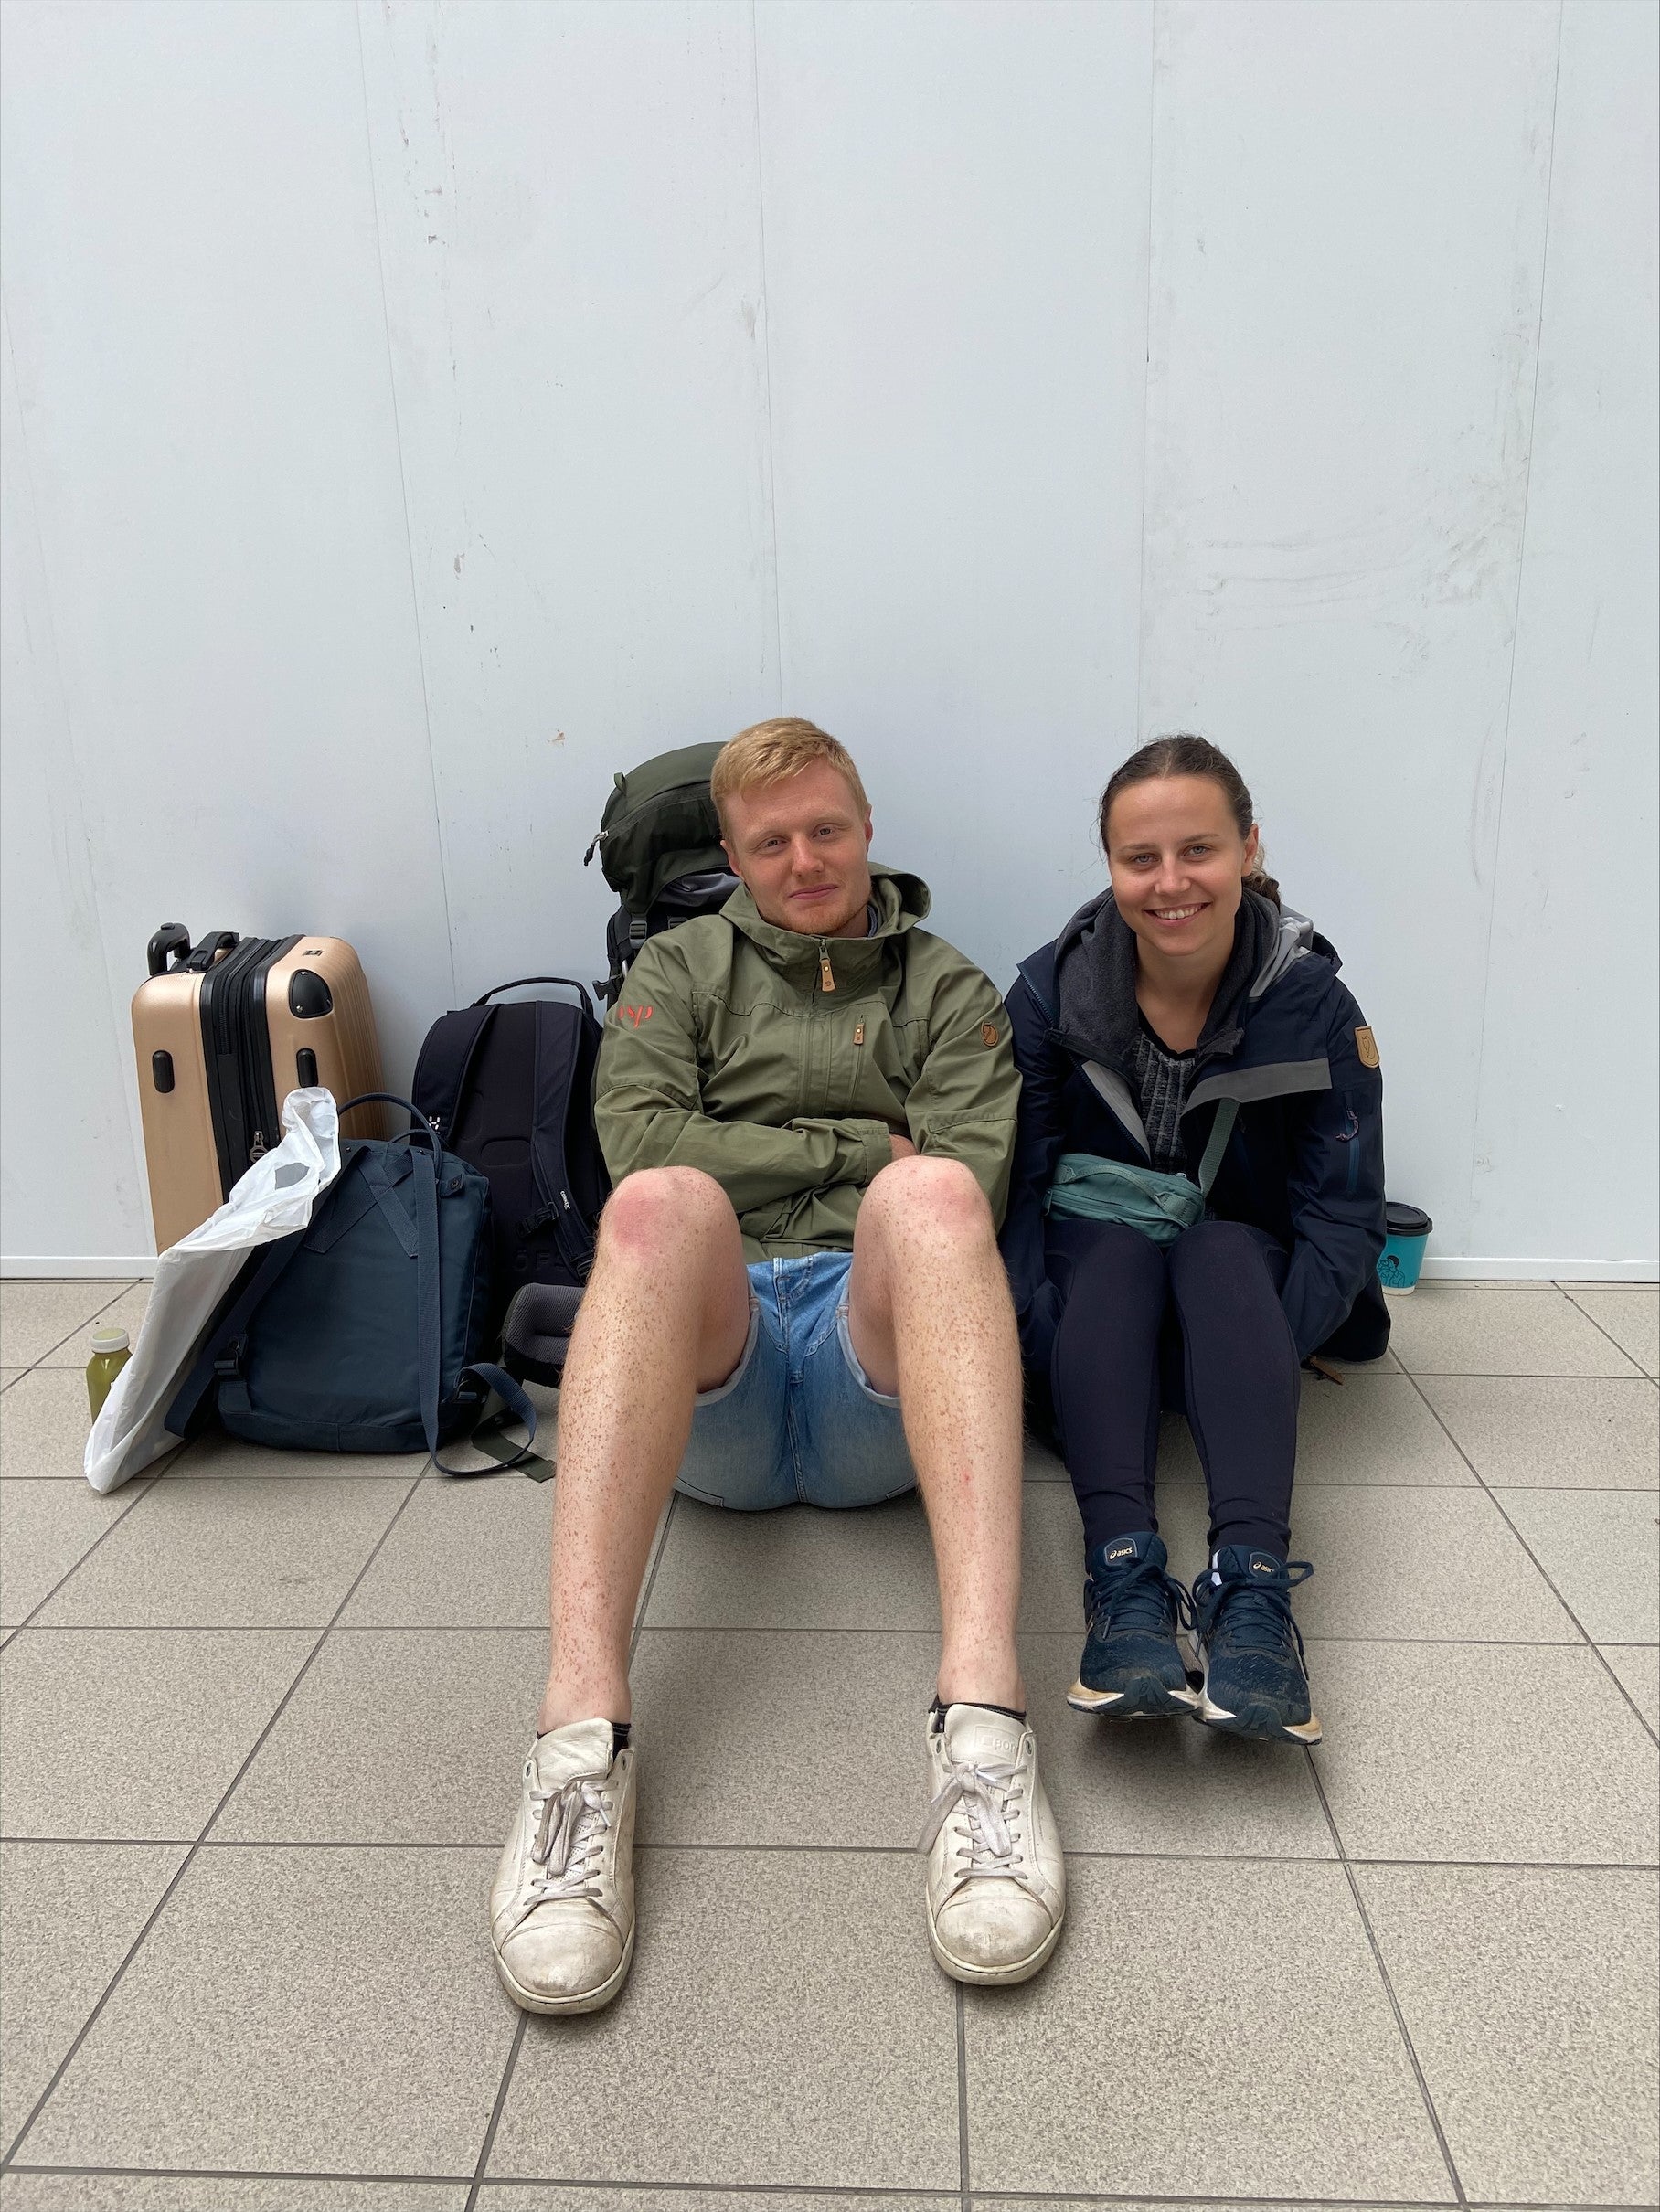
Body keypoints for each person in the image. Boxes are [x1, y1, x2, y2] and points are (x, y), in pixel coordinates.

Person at [490, 717, 1066, 2014]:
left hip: (873, 1381)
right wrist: (847, 1151)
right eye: (772, 841)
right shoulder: (678, 972)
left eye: (827, 830)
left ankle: (985, 1724)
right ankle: (579, 1748)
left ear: (868, 830)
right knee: (655, 1211)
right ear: (735, 856)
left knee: (930, 1205)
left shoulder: (950, 988)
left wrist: (842, 1163)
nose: (805, 861)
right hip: (723, 1379)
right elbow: (641, 1144)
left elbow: (964, 1169)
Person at [1000, 735, 1388, 1747]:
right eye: (1140, 858)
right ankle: (1122, 1580)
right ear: (1111, 867)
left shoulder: (1314, 1006)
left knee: (1217, 1252)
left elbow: (1343, 1214)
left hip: (1239, 1296)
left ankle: (1253, 1594)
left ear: (1249, 848)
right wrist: (1043, 1336)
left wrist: (1257, 1335)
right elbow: (1016, 1197)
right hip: (1094, 1299)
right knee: (1119, 1251)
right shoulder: (1047, 996)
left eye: (1199, 849)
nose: (1170, 882)